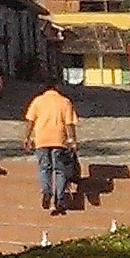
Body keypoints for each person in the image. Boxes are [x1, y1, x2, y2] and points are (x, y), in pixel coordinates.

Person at [23, 79, 80, 212]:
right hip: (59, 140)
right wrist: (72, 139)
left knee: (44, 168)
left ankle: (46, 191)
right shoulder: (65, 101)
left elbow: (30, 121)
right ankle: (59, 199)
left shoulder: (37, 101)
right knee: (60, 170)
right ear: (57, 87)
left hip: (42, 139)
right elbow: (69, 123)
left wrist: (27, 137)